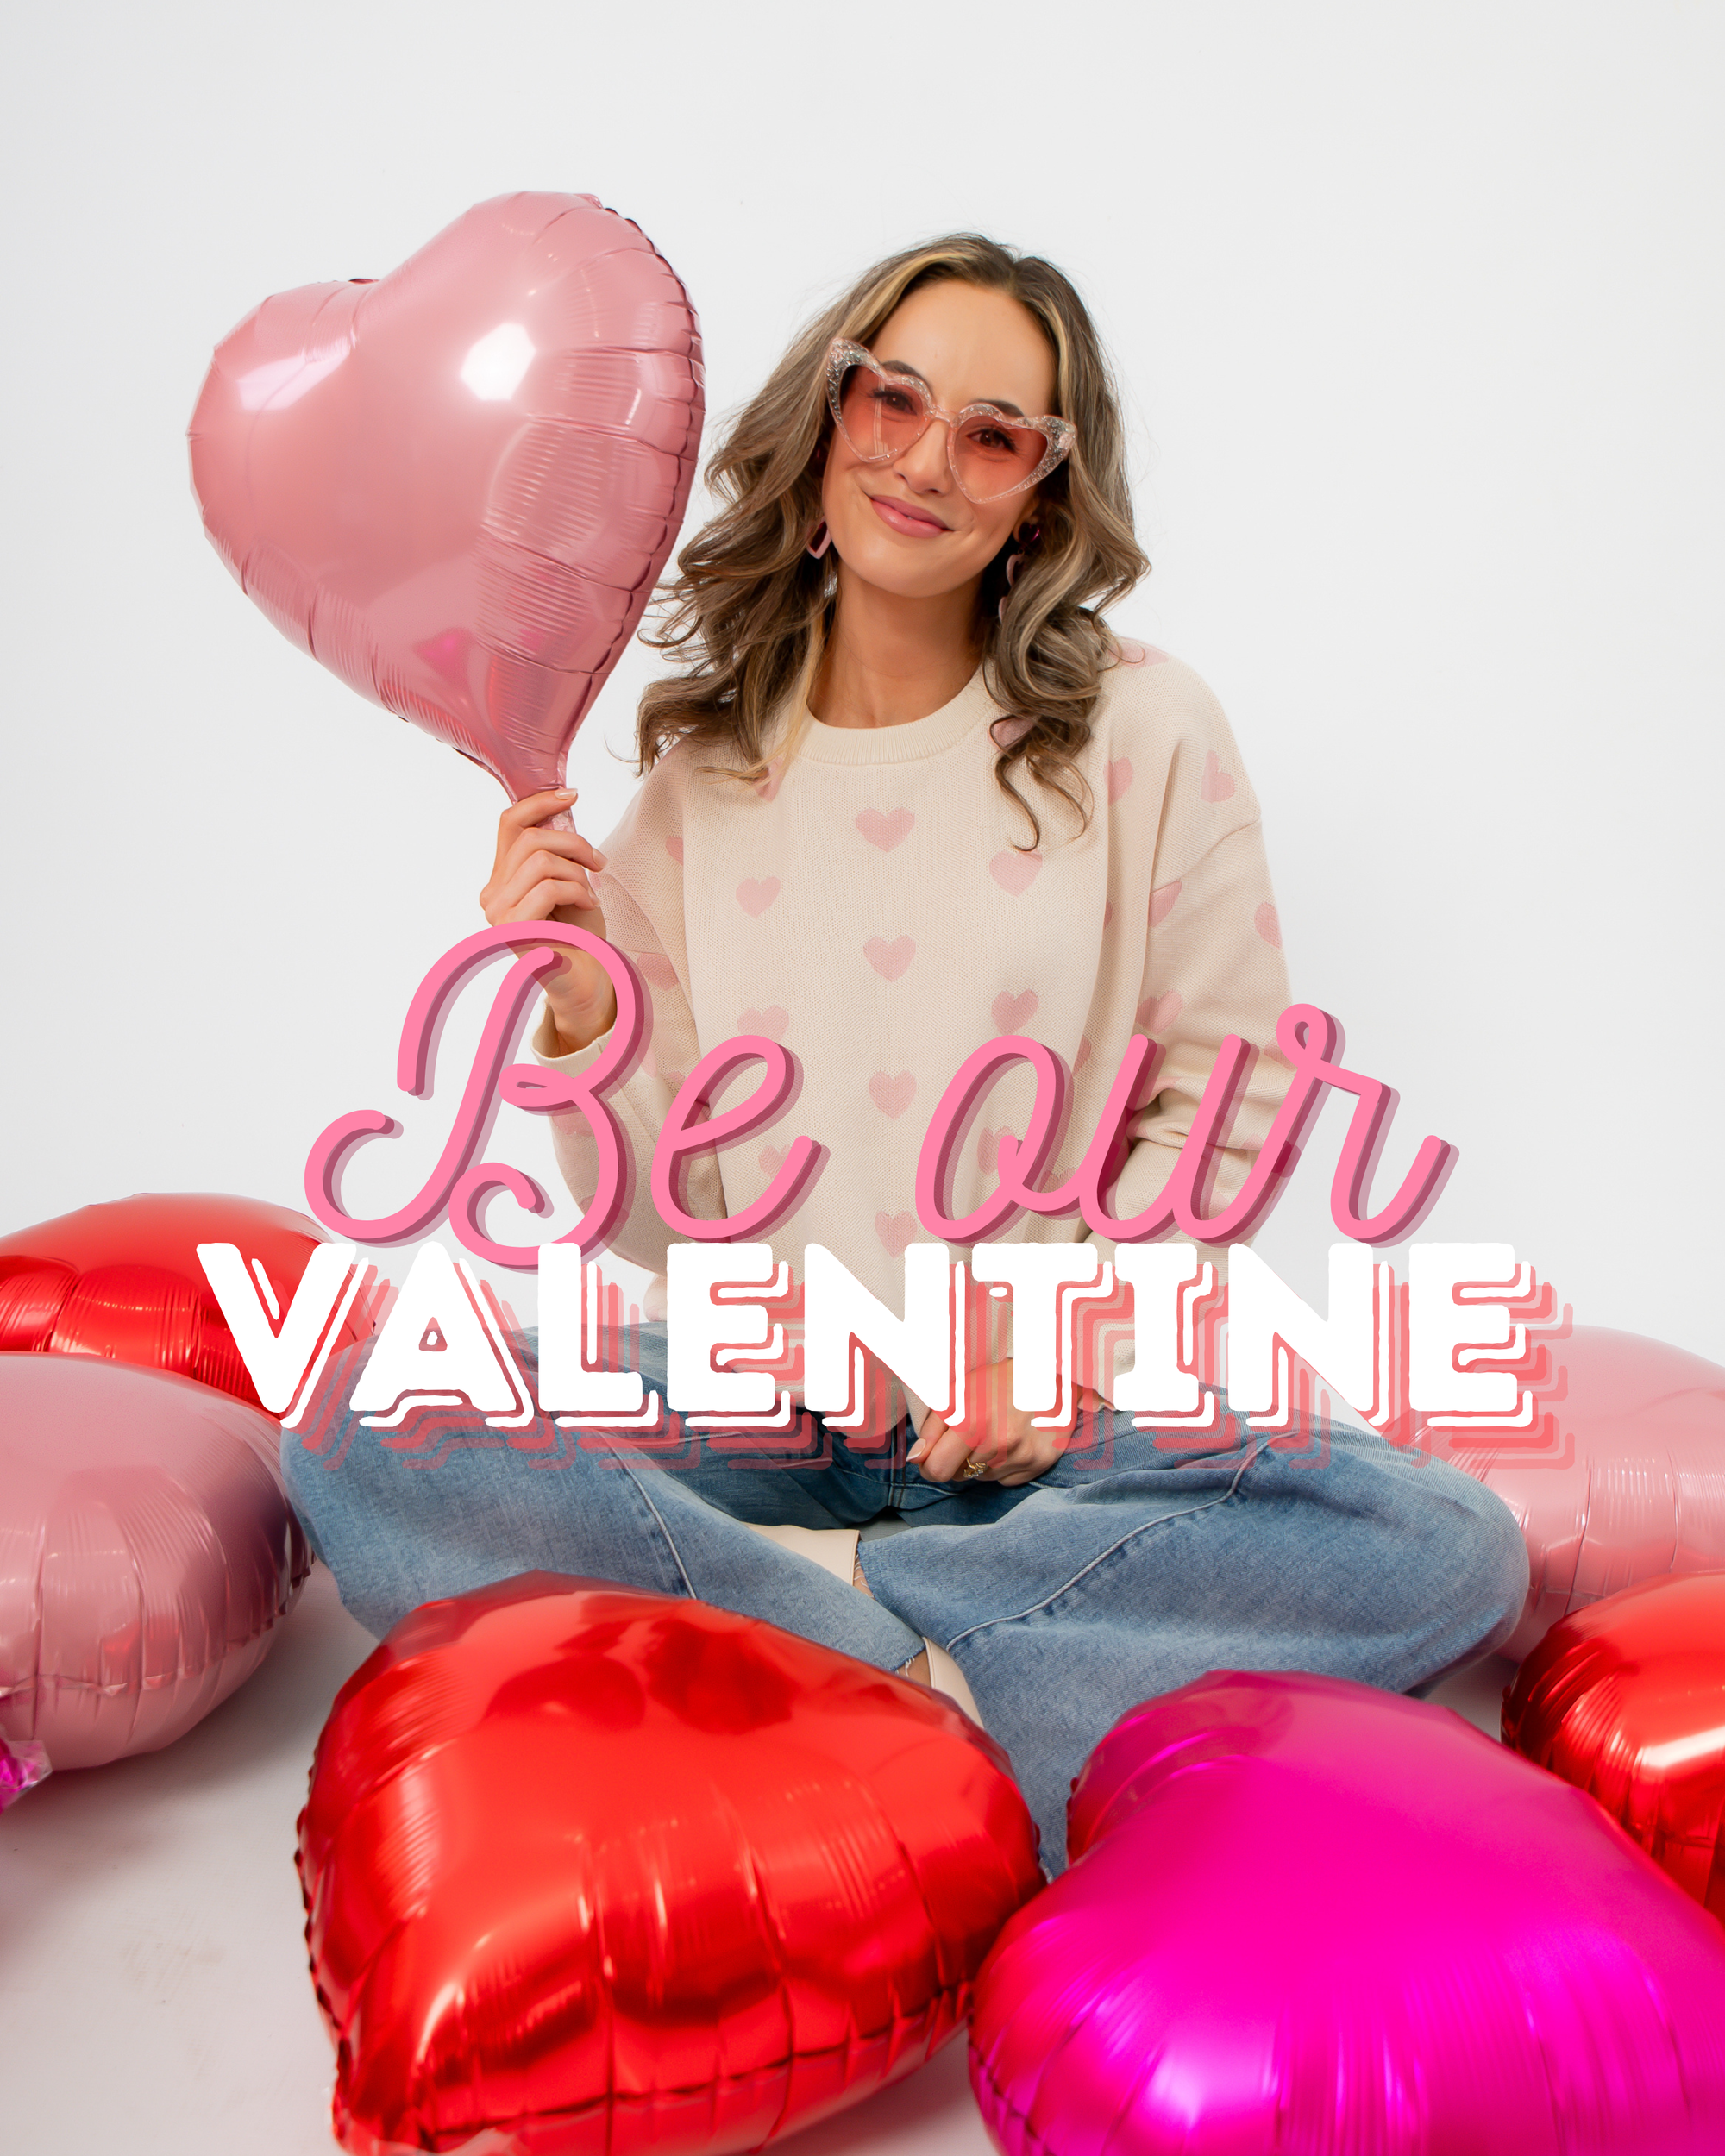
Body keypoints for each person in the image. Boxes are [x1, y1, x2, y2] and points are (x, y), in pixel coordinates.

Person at [285, 234, 1528, 1871]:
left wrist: (1058, 1347)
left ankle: (804, 1669)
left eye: (996, 433)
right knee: (363, 1408)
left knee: (1443, 1541)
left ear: (1043, 495)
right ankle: (891, 1668)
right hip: (764, 1401)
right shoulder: (703, 786)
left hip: (1051, 1418)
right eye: (898, 401)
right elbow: (659, 1222)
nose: (930, 461)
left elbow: (1230, 1091)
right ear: (831, 416)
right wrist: (583, 1021)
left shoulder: (1145, 732)